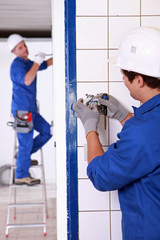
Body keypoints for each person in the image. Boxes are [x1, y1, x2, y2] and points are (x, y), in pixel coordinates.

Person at [73, 27, 160, 239]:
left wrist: (89, 127)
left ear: (139, 80)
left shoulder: (142, 131)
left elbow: (100, 175)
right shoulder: (147, 125)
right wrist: (123, 116)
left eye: (123, 75)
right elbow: (151, 143)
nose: (122, 79)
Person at [7, 34, 53, 186]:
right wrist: (37, 63)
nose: (24, 48)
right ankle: (21, 175)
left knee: (49, 131)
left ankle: (23, 157)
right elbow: (27, 80)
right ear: (14, 51)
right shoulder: (17, 65)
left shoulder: (27, 62)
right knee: (25, 143)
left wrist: (58, 55)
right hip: (22, 111)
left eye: (24, 44)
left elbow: (44, 65)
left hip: (31, 110)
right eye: (20, 47)